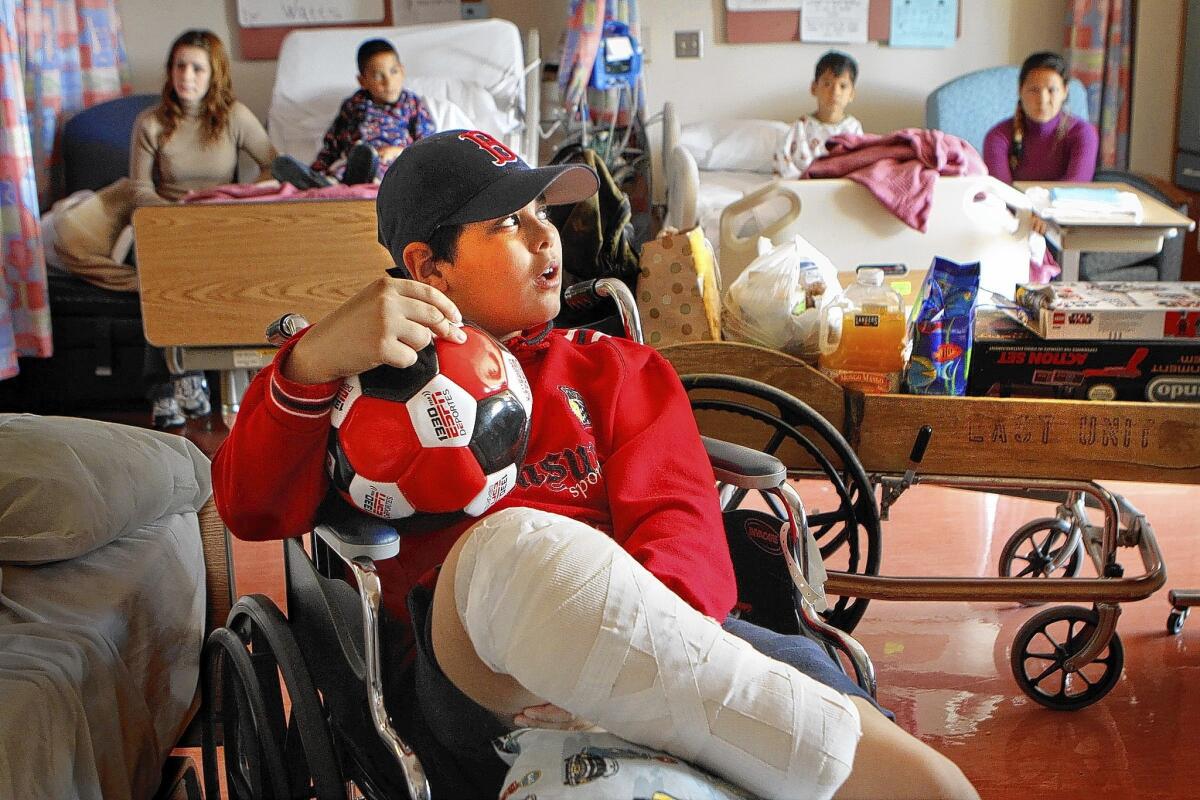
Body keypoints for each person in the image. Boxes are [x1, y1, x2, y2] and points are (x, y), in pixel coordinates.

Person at [212, 130, 978, 800]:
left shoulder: (616, 370)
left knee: (872, 738)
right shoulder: (358, 387)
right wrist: (307, 364)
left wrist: (630, 677)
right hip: (471, 681)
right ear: (428, 265)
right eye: (509, 222)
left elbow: (681, 527)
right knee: (509, 553)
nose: (547, 238)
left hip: (671, 642)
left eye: (544, 214)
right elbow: (251, 510)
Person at [131, 28, 278, 429]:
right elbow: (140, 190)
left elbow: (273, 164)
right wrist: (176, 218)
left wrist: (246, 195)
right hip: (166, 223)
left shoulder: (234, 116)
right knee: (162, 277)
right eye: (180, 66)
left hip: (218, 225)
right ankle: (168, 384)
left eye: (197, 68)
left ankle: (241, 383)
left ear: (214, 74)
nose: (187, 76)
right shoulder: (150, 123)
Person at [271, 38, 435, 189]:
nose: (388, 82)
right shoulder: (354, 105)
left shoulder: (412, 104)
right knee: (347, 165)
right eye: (378, 76)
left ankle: (355, 181)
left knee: (380, 167)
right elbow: (332, 143)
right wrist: (318, 168)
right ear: (362, 81)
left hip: (393, 162)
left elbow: (428, 145)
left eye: (394, 72)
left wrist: (398, 150)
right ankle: (315, 181)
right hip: (353, 162)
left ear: (402, 71)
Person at [982, 51, 1099, 184]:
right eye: (1034, 90)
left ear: (1065, 92)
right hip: (1014, 205)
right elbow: (1002, 191)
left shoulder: (1083, 133)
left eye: (1052, 90)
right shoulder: (998, 136)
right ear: (1020, 90)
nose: (1042, 100)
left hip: (1065, 204)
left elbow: (1073, 188)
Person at [774, 50, 864, 179]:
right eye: (827, 84)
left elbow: (860, 165)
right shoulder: (801, 127)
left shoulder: (853, 128)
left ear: (852, 94)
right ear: (814, 88)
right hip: (807, 189)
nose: (835, 92)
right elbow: (783, 162)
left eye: (843, 86)